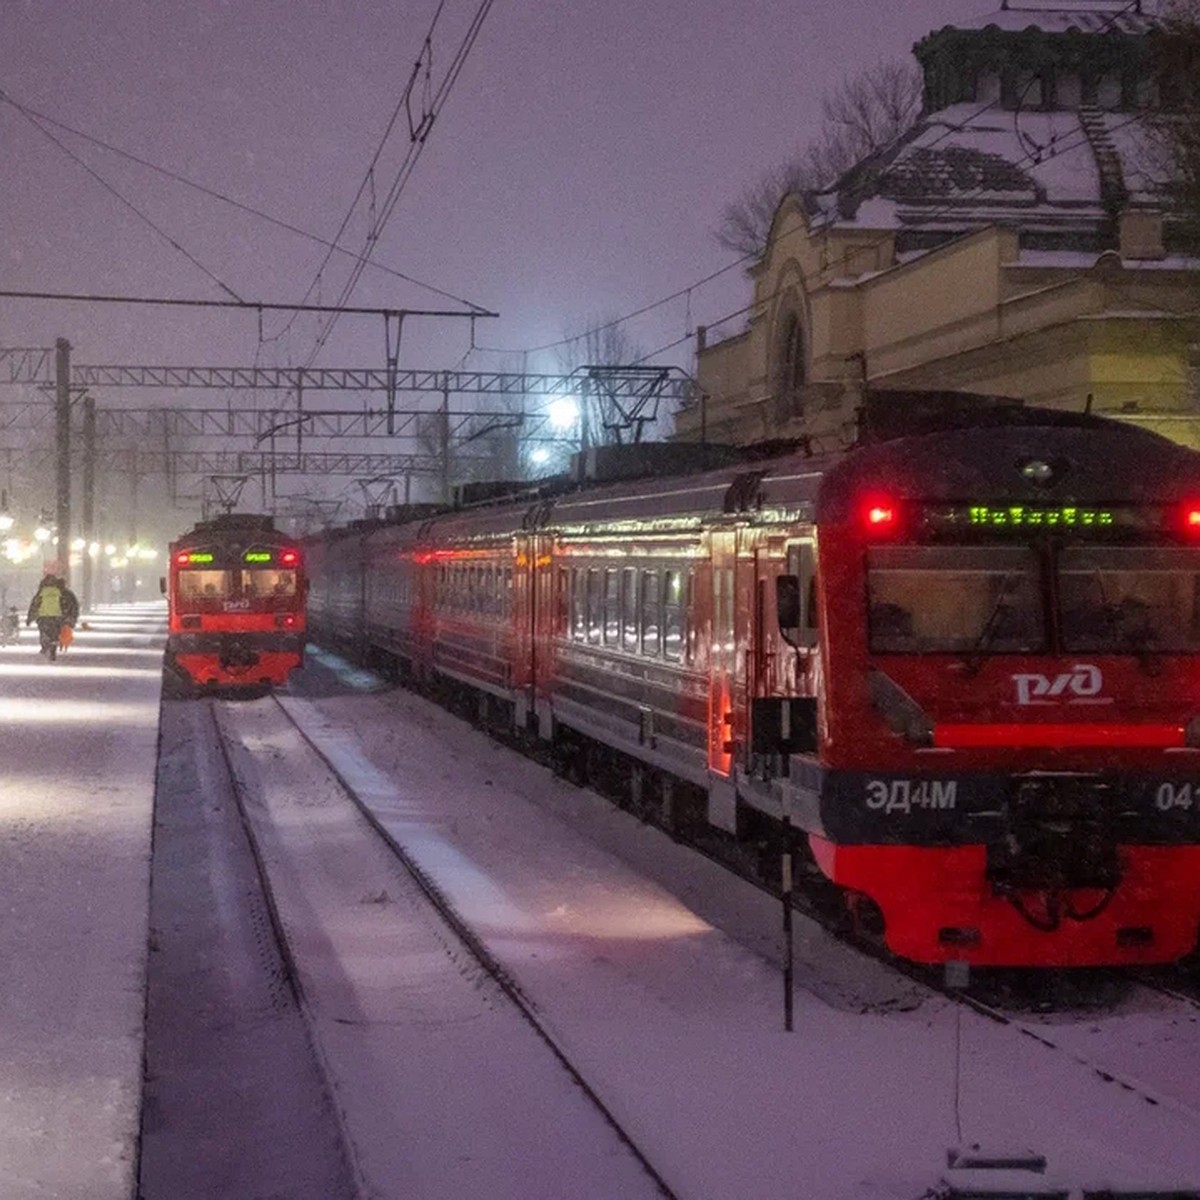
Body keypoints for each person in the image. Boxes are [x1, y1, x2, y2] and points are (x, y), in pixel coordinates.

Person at [26, 573, 79, 662]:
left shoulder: (42, 592)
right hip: (58, 616)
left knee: (43, 631)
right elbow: (72, 604)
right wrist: (71, 618)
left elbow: (35, 605)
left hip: (43, 616)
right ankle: (53, 648)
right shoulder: (63, 592)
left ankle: (45, 646)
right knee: (55, 633)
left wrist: (30, 618)